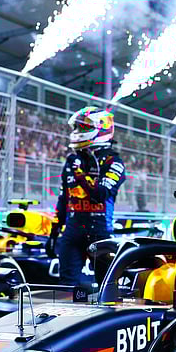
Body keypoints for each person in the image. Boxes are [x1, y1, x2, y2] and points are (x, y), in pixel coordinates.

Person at [55, 106, 125, 287]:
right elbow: (64, 198)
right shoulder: (72, 160)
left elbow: (100, 195)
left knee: (106, 287)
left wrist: (80, 175)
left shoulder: (113, 162)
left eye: (84, 127)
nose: (78, 132)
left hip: (100, 234)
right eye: (77, 127)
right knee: (66, 287)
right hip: (72, 231)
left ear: (102, 128)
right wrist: (55, 231)